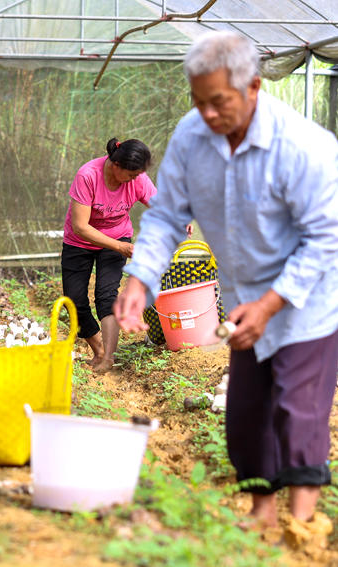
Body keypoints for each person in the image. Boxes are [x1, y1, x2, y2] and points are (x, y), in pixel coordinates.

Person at [113, 31, 338, 531]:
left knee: (298, 409)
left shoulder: (304, 148)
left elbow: (325, 240)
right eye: (199, 101)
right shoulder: (193, 137)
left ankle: (300, 526)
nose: (208, 115)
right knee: (248, 412)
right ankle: (261, 515)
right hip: (241, 302)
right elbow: (168, 215)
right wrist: (139, 281)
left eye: (219, 102)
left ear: (255, 86)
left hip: (306, 301)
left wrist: (271, 304)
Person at [61, 138, 156, 373]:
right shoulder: (88, 176)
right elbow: (81, 226)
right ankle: (99, 350)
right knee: (74, 300)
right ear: (116, 165)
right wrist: (121, 248)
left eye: (138, 175)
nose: (135, 180)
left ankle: (108, 359)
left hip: (118, 236)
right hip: (79, 241)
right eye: (132, 174)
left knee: (106, 295)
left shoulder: (138, 179)